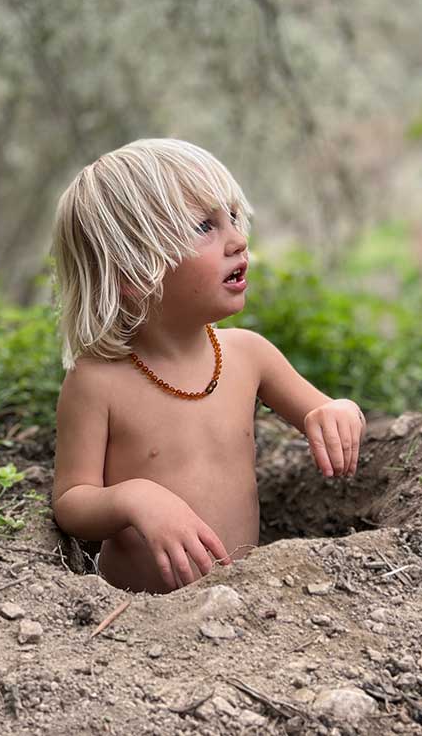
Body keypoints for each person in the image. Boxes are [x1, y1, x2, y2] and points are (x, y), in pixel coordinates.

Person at [50, 138, 365, 594]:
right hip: (139, 613)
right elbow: (71, 502)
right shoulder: (97, 381)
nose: (238, 240)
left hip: (252, 600)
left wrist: (339, 412)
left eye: (233, 218)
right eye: (204, 227)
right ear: (132, 273)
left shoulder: (249, 354)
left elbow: (323, 410)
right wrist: (134, 498)